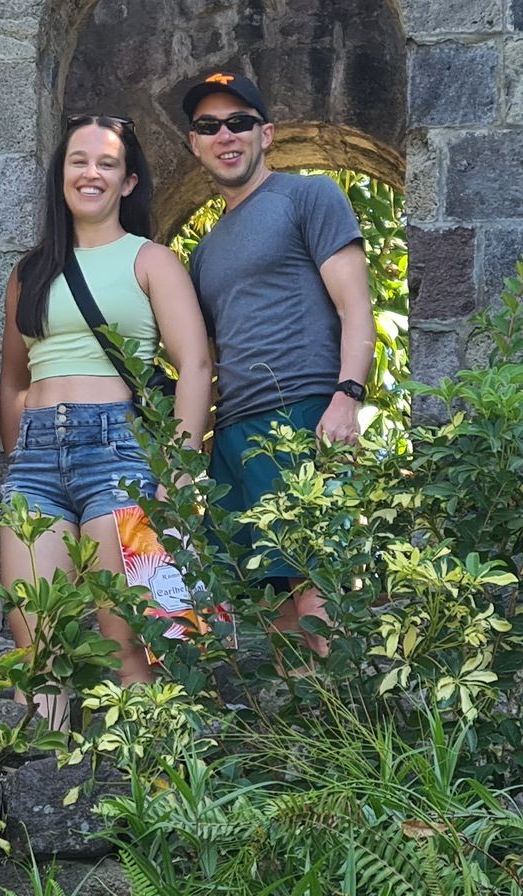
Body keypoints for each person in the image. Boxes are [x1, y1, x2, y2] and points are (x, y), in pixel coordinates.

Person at [0, 115, 213, 726]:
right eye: (78, 161)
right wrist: (21, 454)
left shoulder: (151, 261)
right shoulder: (28, 273)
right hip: (36, 460)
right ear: (60, 175)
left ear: (127, 182)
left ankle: (153, 803)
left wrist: (181, 470)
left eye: (106, 164)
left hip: (119, 453)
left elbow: (195, 365)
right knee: (36, 649)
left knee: (132, 643)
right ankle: (41, 799)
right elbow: (14, 379)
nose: (90, 172)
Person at [181, 70, 375, 660]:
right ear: (195, 144)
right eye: (209, 126)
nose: (225, 135)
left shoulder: (308, 196)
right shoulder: (206, 250)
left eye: (239, 122)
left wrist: (348, 397)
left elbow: (356, 307)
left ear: (265, 134)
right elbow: (204, 357)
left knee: (317, 585)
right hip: (235, 432)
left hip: (303, 411)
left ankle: (356, 732)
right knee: (267, 599)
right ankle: (305, 745)